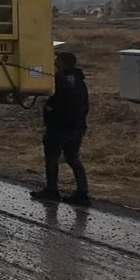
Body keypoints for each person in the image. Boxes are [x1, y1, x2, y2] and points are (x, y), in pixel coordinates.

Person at [31, 51, 91, 206]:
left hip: (59, 126)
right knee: (72, 158)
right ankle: (82, 193)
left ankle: (52, 190)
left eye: (57, 58)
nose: (54, 60)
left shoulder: (60, 78)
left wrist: (50, 110)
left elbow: (57, 100)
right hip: (77, 126)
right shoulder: (78, 79)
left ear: (63, 62)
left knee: (52, 158)